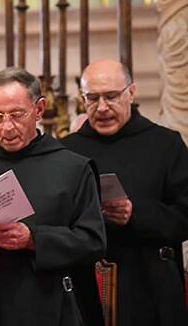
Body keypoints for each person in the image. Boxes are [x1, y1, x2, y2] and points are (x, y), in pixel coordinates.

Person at [0, 67, 106, 326]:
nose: (6, 127)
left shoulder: (73, 168)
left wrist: (34, 239)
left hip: (44, 304)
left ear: (39, 109)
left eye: (17, 115)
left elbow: (93, 242)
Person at [62, 59, 188, 326]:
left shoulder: (165, 144)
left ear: (131, 92)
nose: (102, 107)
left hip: (150, 285)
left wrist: (136, 213)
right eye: (92, 98)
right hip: (84, 287)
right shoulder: (66, 151)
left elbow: (185, 216)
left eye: (111, 96)